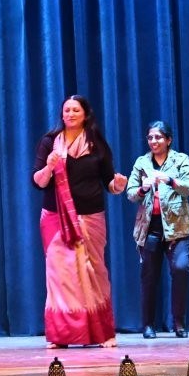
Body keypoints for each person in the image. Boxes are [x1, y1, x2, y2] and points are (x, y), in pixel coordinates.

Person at [31, 95, 128, 348]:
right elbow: (38, 182)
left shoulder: (96, 143)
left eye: (75, 110)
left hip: (90, 217)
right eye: (67, 110)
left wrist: (118, 185)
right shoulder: (50, 142)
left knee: (92, 273)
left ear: (85, 114)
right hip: (55, 218)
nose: (70, 114)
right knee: (60, 276)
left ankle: (101, 333)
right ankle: (61, 335)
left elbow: (109, 182)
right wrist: (49, 166)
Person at [126, 121, 189, 339]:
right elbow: (130, 193)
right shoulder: (141, 162)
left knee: (181, 269)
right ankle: (148, 324)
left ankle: (179, 322)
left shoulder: (180, 159)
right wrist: (143, 188)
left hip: (176, 228)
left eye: (158, 137)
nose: (153, 141)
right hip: (150, 228)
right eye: (150, 137)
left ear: (168, 140)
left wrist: (170, 180)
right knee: (149, 276)